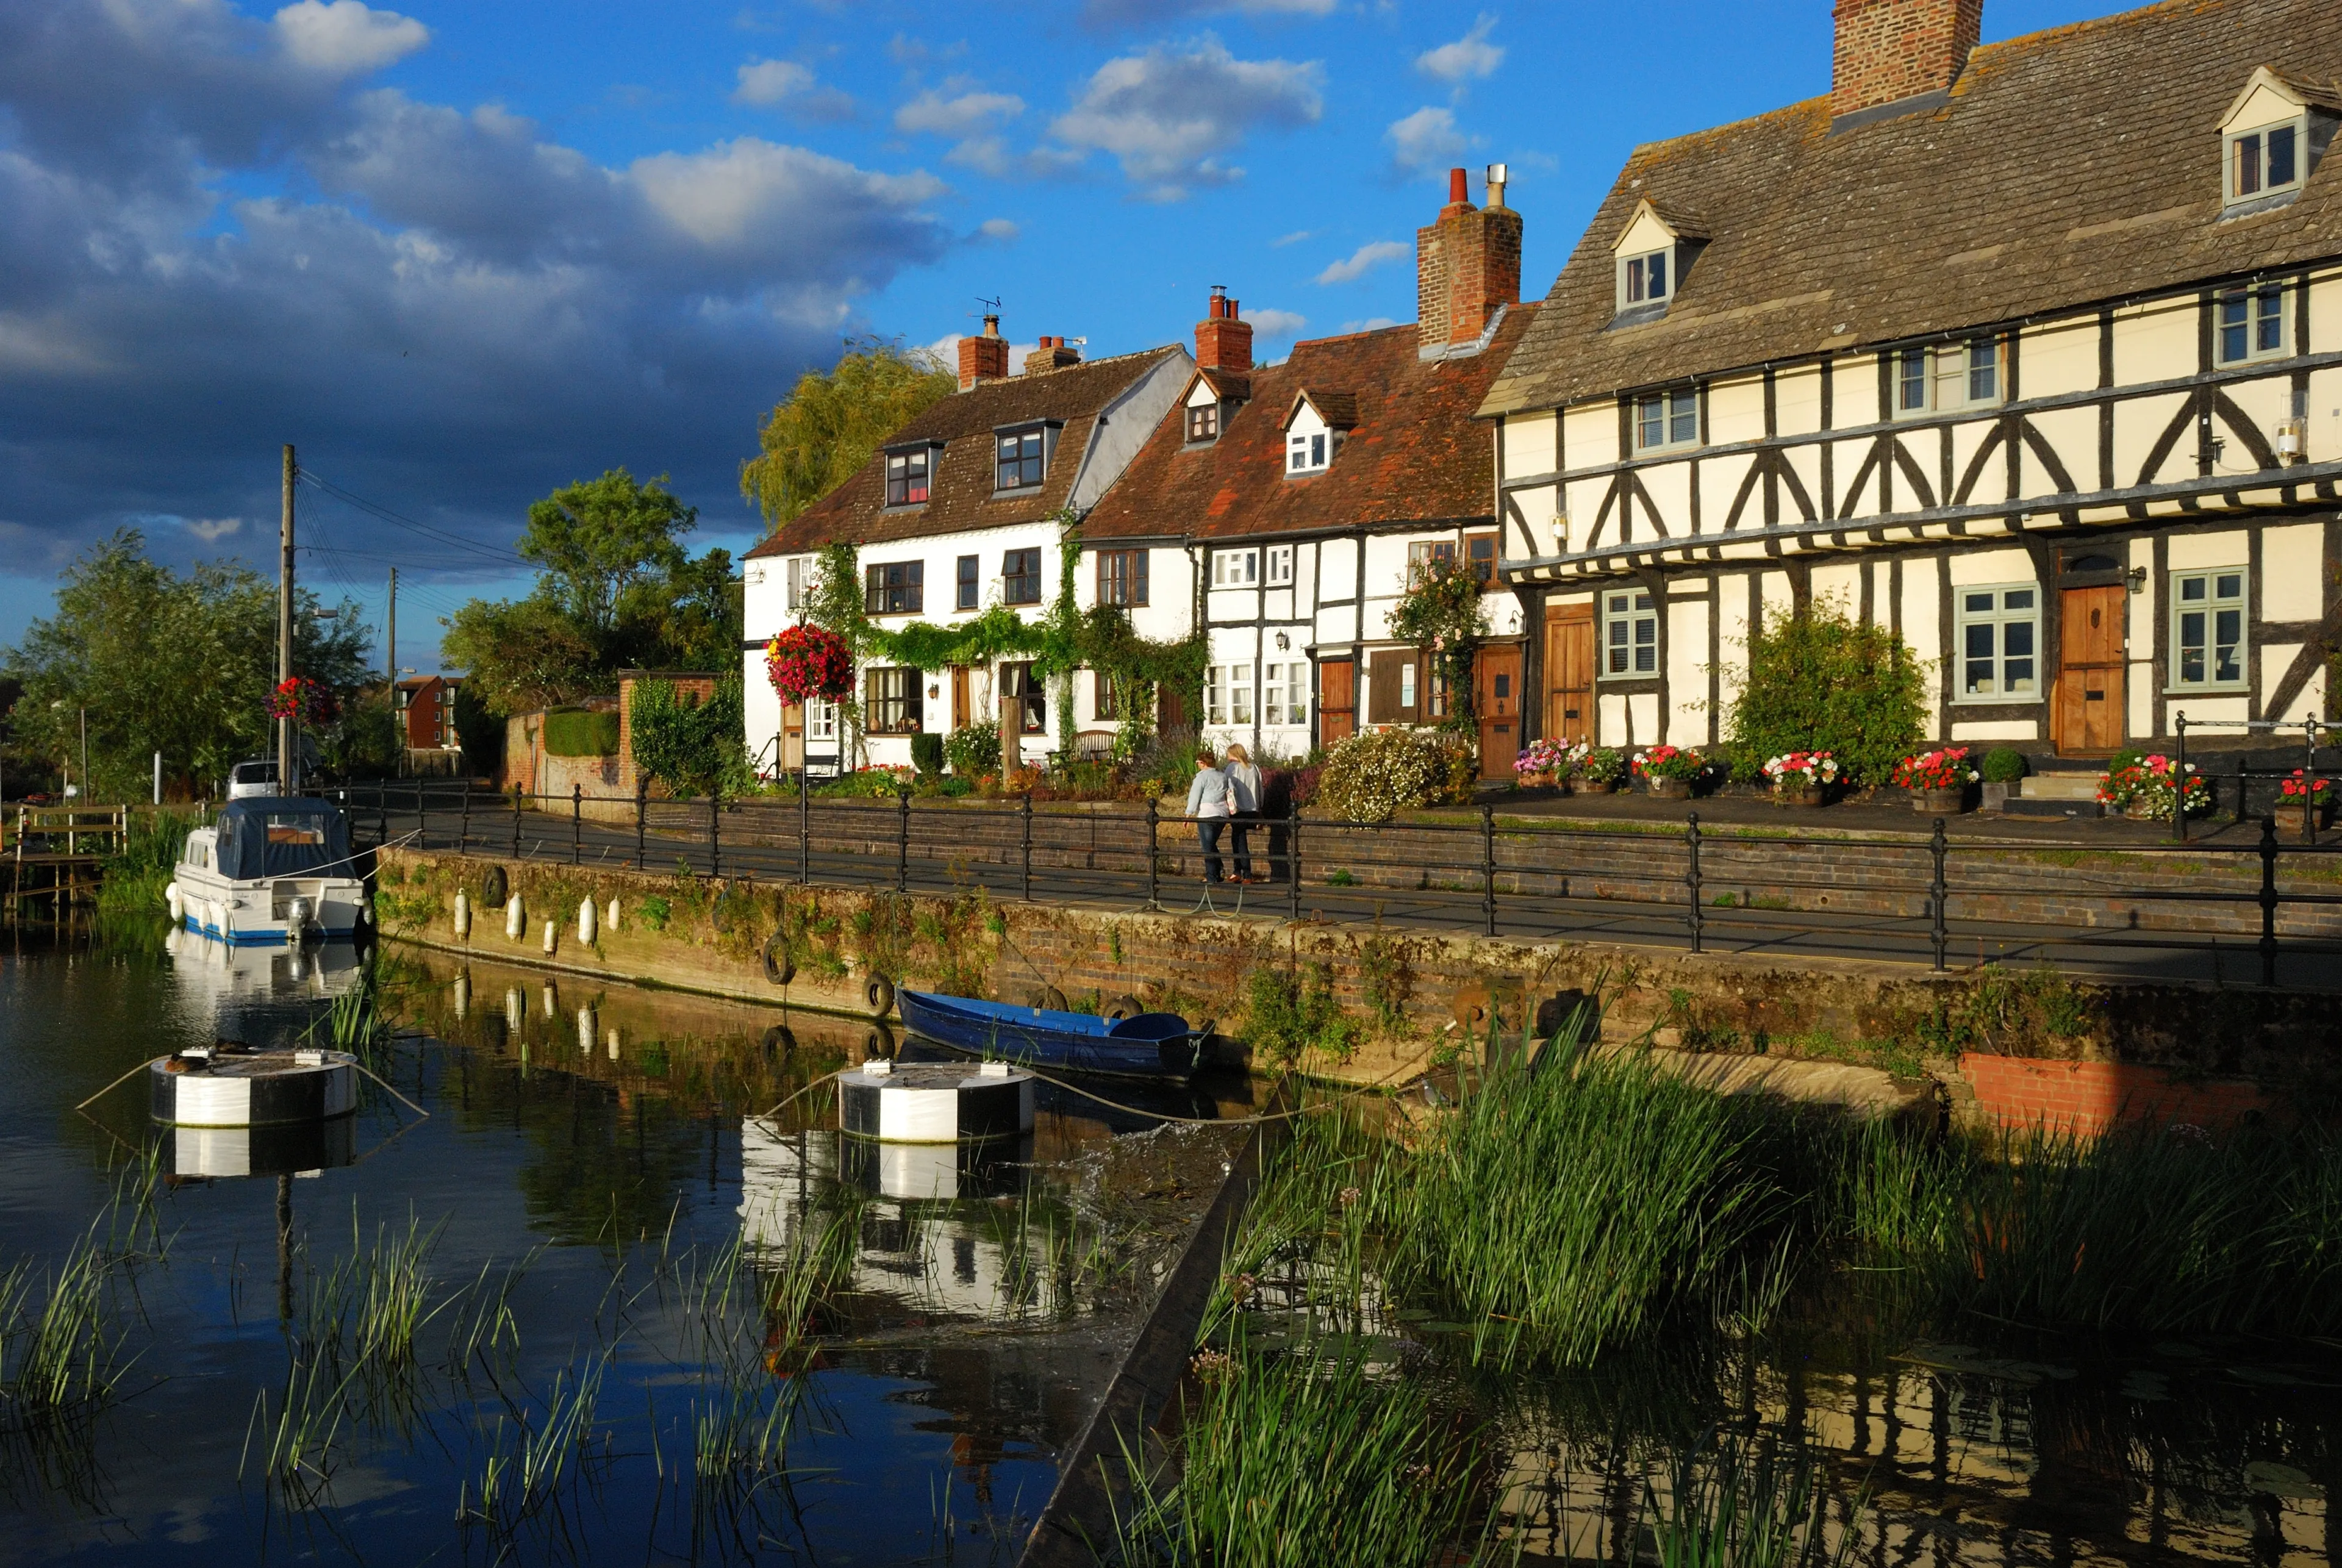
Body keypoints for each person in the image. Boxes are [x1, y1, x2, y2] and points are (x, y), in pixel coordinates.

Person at [1184, 748, 1231, 884]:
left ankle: (1212, 875)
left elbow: (1195, 796)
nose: (1197, 765)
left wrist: (1188, 814)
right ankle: (1217, 871)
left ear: (1203, 763)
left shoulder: (1202, 777)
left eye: (1198, 762)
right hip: (1222, 814)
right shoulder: (1223, 776)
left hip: (1207, 813)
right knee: (1210, 844)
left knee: (1207, 846)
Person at [1222, 743, 1263, 883]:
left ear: (1233, 754)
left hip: (1238, 809)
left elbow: (1227, 788)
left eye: (1228, 754)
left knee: (1240, 841)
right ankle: (1237, 871)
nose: (1227, 757)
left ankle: (1246, 874)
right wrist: (1260, 808)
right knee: (1237, 839)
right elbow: (1260, 789)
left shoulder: (1232, 768)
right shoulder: (1254, 768)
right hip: (1253, 809)